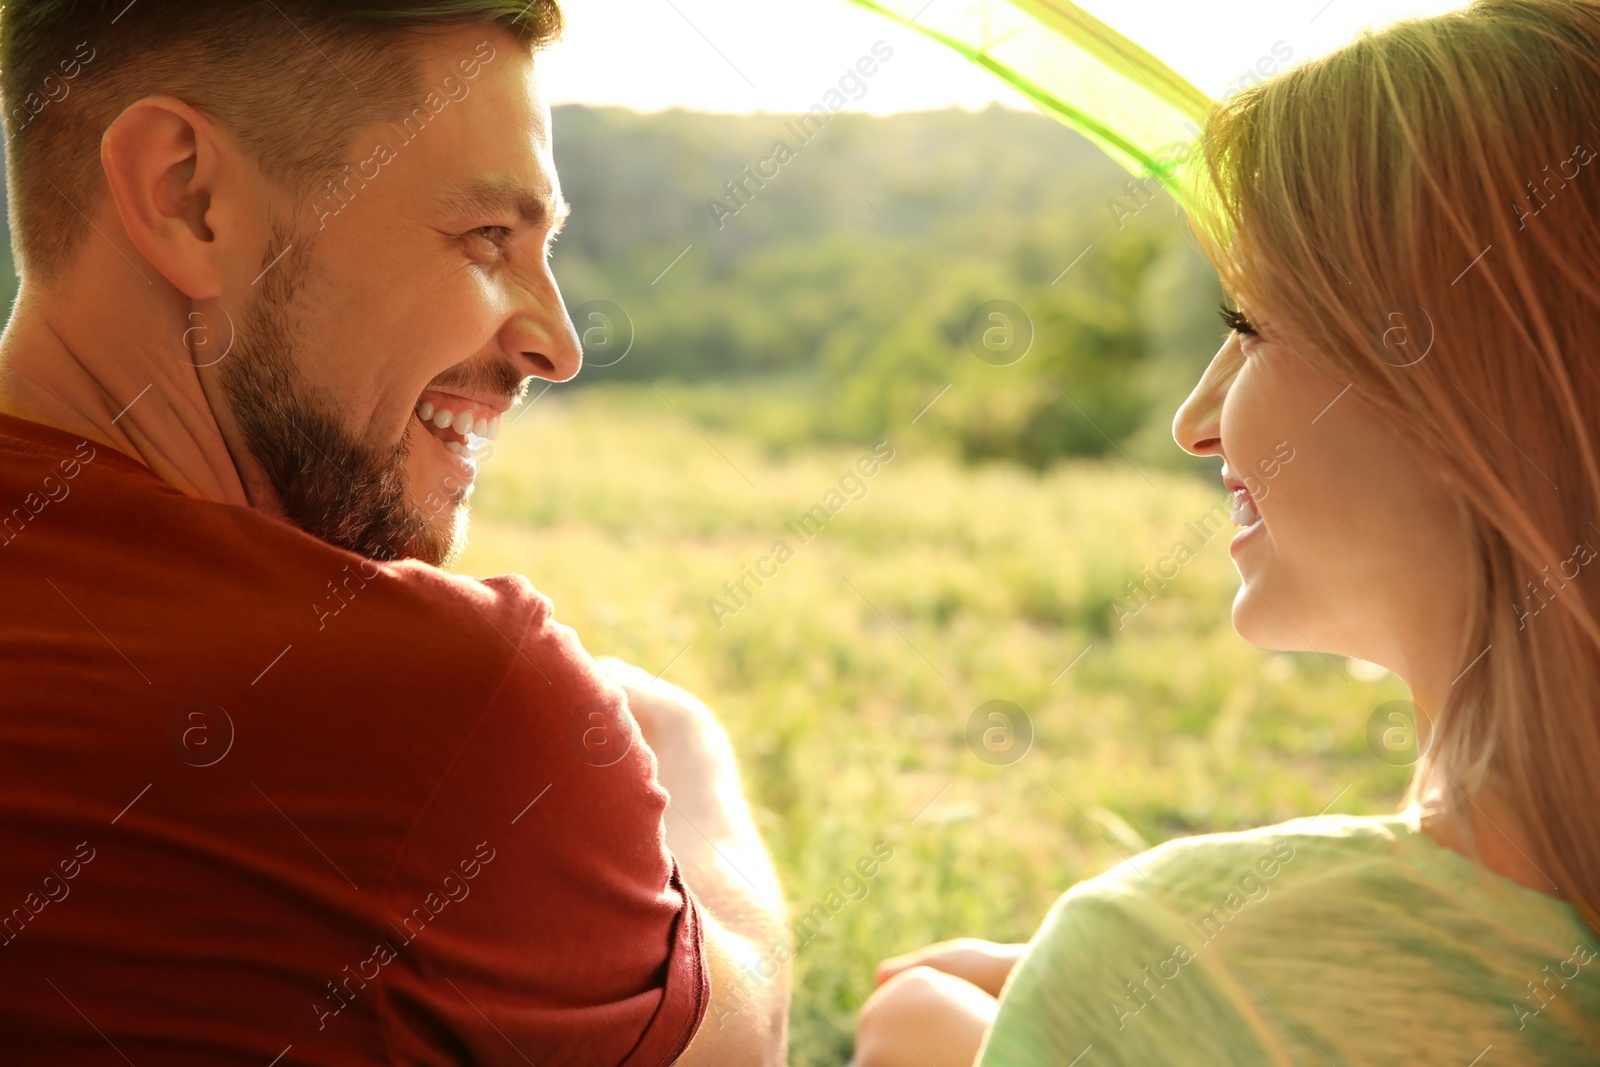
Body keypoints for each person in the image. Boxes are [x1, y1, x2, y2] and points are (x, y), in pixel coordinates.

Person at [0, 2, 788, 1063]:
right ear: (185, 197)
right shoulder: (440, 704)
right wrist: (685, 746)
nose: (556, 344)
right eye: (485, 238)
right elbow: (745, 1042)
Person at [855, 0, 1600, 1063]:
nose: (1193, 421)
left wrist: (1059, 1002)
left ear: (1462, 386)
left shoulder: (1154, 943)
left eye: (1248, 325)